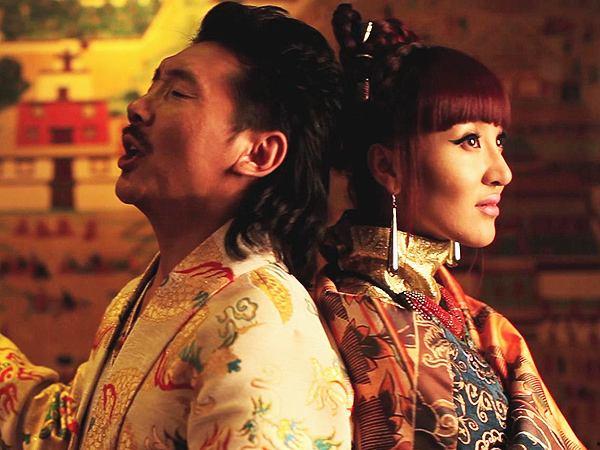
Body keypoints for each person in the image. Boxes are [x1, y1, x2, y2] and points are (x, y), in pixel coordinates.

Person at [0, 3, 353, 448]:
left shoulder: (262, 324)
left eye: (178, 93)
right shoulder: (145, 296)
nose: (138, 107)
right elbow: (69, 432)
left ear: (258, 154)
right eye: (154, 85)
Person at [316, 4, 583, 449]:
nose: (502, 172)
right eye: (469, 140)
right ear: (387, 166)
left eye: (499, 140)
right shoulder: (347, 319)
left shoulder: (481, 324)